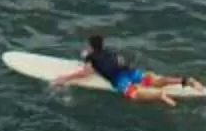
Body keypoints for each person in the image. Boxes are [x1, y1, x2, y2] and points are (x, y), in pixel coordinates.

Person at [53, 33, 194, 107]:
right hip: (129, 71)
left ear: (90, 46)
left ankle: (159, 96)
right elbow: (120, 60)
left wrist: (63, 78)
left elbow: (85, 73)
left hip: (119, 79)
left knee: (134, 95)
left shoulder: (91, 58)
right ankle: (184, 80)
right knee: (154, 80)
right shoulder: (109, 51)